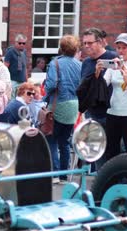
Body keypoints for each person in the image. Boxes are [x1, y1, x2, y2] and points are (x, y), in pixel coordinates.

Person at [96, 33, 127, 161]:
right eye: (118, 47)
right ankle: (113, 179)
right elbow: (102, 85)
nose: (120, 51)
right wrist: (97, 72)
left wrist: (123, 68)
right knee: (111, 150)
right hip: (112, 112)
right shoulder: (114, 65)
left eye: (124, 47)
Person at [44, 35, 82, 178]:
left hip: (58, 104)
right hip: (74, 105)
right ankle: (63, 176)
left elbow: (52, 84)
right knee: (65, 142)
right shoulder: (79, 65)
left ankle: (54, 173)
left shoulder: (56, 63)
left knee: (51, 138)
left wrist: (45, 95)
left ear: (61, 48)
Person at [79, 27, 117, 170]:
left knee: (113, 152)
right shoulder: (86, 63)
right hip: (92, 113)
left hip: (112, 113)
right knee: (98, 151)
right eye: (85, 43)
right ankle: (101, 182)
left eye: (90, 43)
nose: (87, 46)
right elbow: (83, 87)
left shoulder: (113, 57)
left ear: (100, 42)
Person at [4, 34, 28, 98]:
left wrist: (26, 80)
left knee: (21, 99)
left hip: (22, 81)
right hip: (12, 80)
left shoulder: (24, 52)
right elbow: (5, 67)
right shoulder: (10, 52)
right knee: (11, 99)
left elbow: (25, 67)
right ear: (15, 42)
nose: (22, 45)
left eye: (23, 43)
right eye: (19, 43)